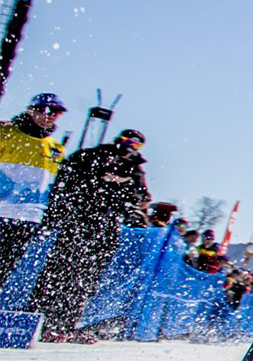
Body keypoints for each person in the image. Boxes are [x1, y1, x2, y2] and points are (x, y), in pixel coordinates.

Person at [27, 129, 150, 343]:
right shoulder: (92, 156)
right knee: (58, 271)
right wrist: (100, 181)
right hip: (78, 221)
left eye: (137, 145)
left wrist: (124, 186)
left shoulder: (135, 170)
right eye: (129, 141)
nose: (131, 147)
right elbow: (66, 180)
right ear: (119, 140)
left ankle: (65, 325)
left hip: (106, 229)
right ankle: (36, 320)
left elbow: (143, 197)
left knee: (85, 279)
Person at [0, 93, 66, 286]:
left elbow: (51, 187)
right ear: (31, 110)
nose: (49, 115)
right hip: (1, 210)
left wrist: (49, 218)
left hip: (28, 217)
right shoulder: (6, 133)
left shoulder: (56, 148)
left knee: (4, 267)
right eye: (44, 110)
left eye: (55, 112)